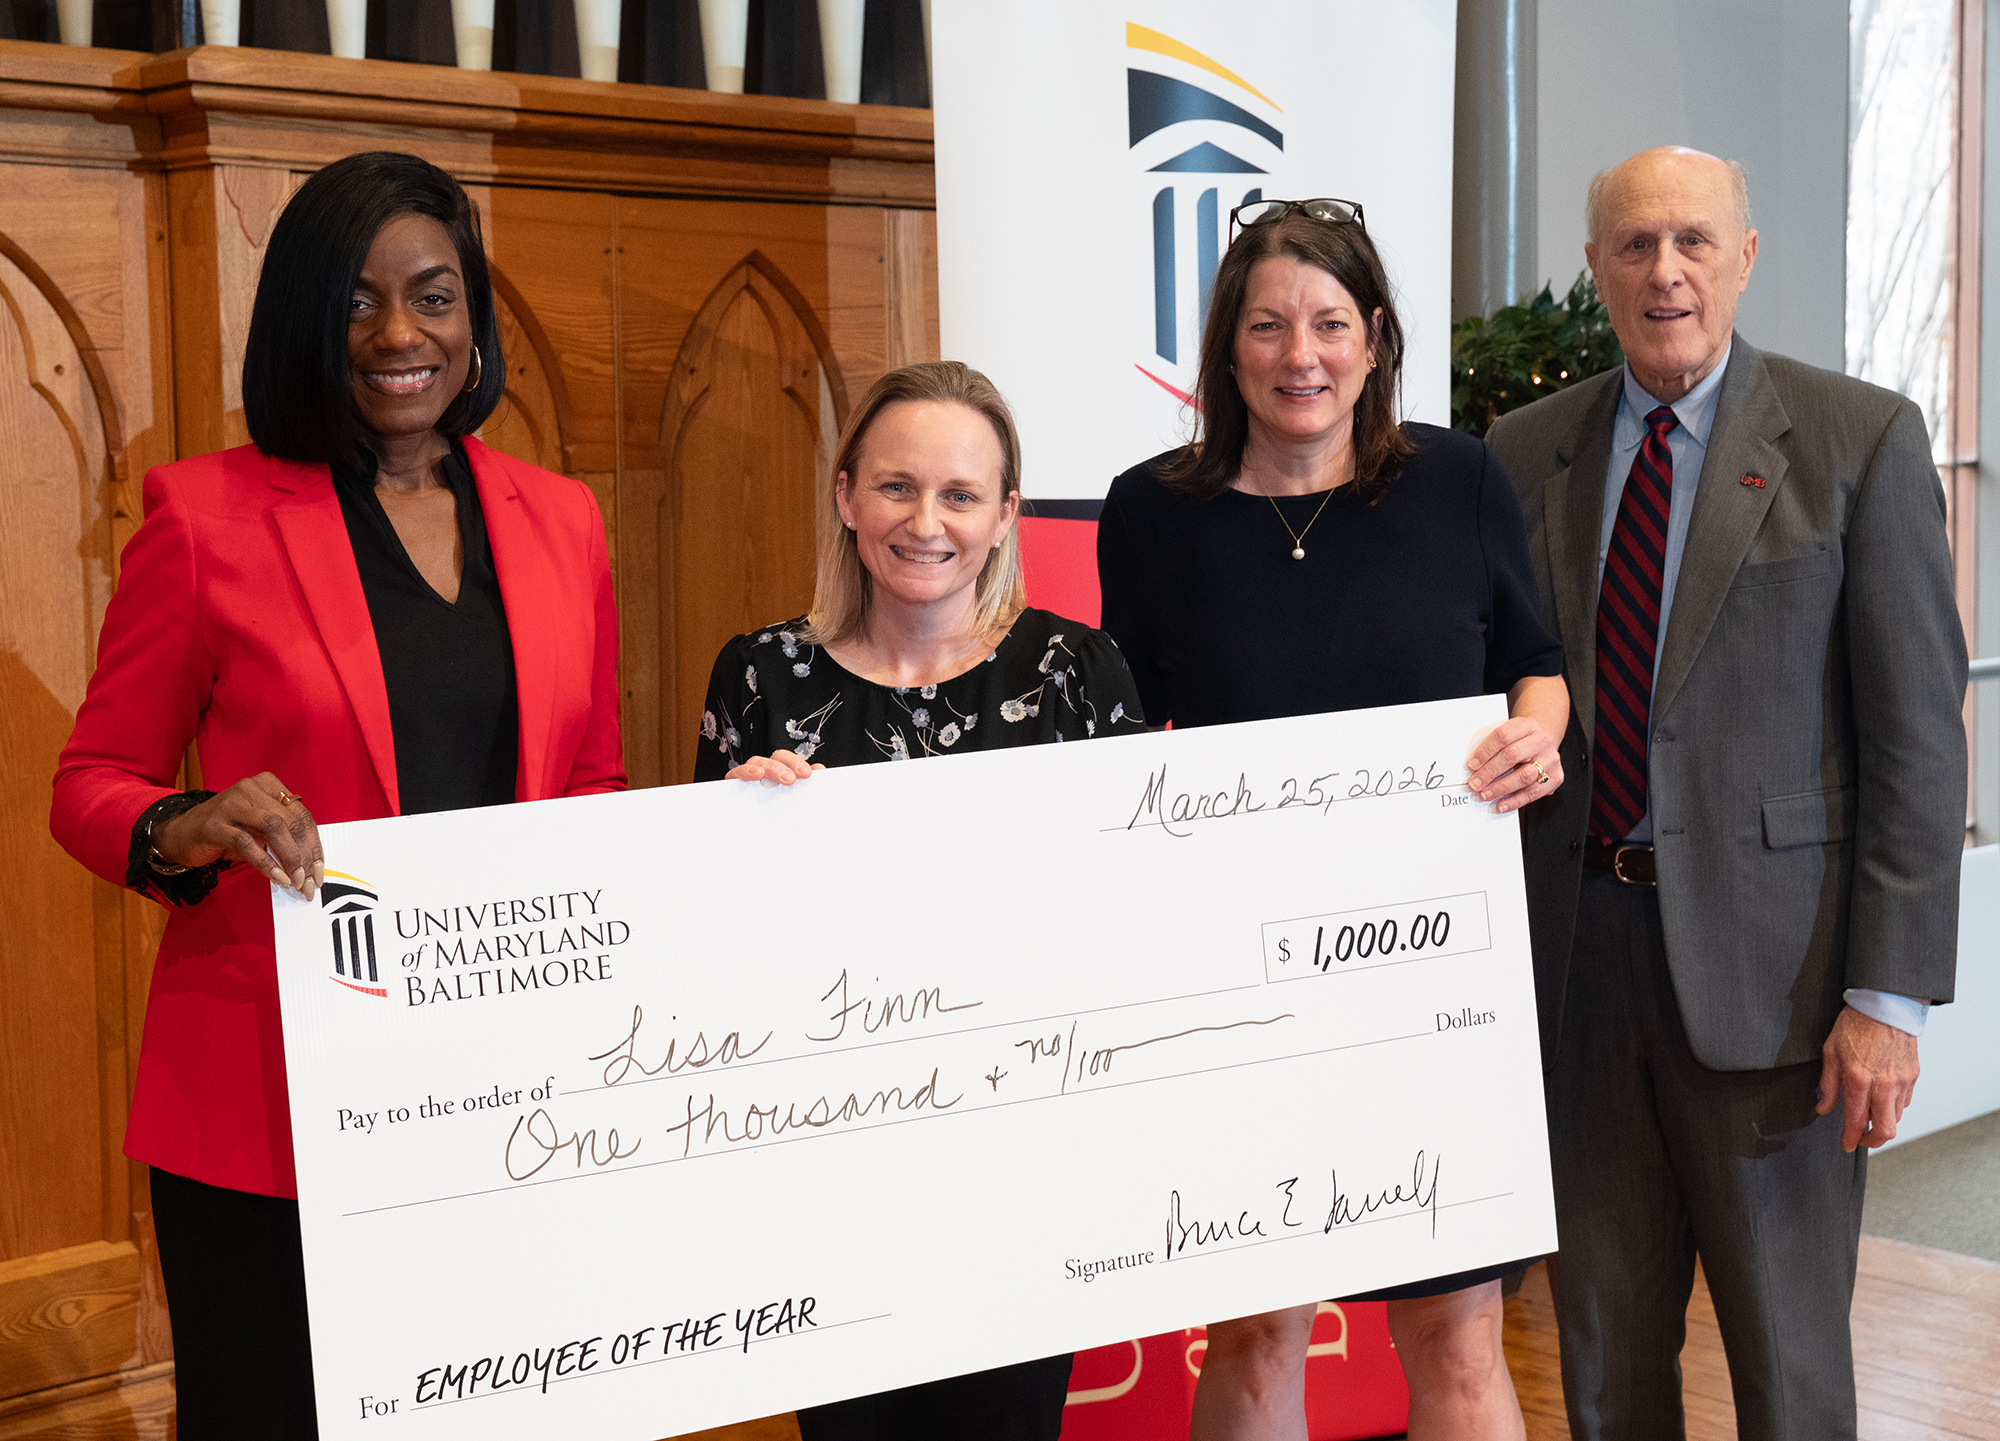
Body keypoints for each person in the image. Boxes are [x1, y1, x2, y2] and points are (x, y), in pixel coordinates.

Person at [49, 151, 626, 1437]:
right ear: (304, 322)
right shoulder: (203, 519)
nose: (396, 336)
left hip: (501, 1091)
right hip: (269, 1105)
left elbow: (591, 787)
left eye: (432, 296)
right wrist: (185, 824)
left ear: (473, 317)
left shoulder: (562, 520)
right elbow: (89, 784)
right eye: (356, 303)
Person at [1484, 146, 1966, 1441]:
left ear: (1746, 257)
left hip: (1786, 993)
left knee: (1789, 1369)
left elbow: (1919, 738)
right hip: (1579, 978)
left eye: (1694, 241)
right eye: (1635, 246)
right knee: (1602, 1369)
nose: (1666, 271)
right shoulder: (1523, 454)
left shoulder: (1858, 441)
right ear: (1597, 270)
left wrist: (1887, 997)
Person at [1097, 198, 1566, 1441]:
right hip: (1237, 983)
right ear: (1225, 346)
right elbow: (1105, 733)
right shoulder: (1149, 513)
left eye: (1326, 322)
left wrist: (1537, 731)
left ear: (1371, 337)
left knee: (1458, 1337)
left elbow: (1537, 658)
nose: (1297, 354)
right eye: (1265, 325)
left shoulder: (1458, 478)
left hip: (1432, 973)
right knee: (1254, 1331)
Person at [695, 359, 1147, 1440]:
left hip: (1022, 1164)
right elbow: (707, 938)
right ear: (846, 495)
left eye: (958, 494)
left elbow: (1131, 915)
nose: (925, 521)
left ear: (1003, 516)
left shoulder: (1076, 670)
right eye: (896, 487)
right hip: (828, 1166)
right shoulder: (758, 677)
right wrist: (735, 828)